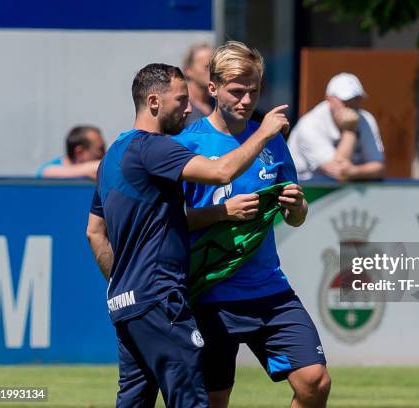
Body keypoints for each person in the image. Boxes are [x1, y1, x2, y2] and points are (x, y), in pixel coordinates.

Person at [85, 63, 288, 407]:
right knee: (191, 401)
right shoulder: (153, 148)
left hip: (125, 304)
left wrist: (122, 285)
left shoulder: (112, 156)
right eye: (180, 100)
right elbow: (221, 171)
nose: (189, 108)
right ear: (153, 102)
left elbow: (94, 232)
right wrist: (264, 133)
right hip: (161, 299)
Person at [173, 41, 331, 408]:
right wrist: (221, 212)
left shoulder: (273, 143)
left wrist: (297, 207)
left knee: (315, 382)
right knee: (214, 399)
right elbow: (169, 221)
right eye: (237, 91)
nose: (246, 100)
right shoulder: (187, 144)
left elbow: (296, 216)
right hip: (210, 292)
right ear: (212, 88)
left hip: (268, 291)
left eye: (254, 91)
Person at [288, 72, 385, 181]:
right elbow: (338, 172)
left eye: (357, 99)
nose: (352, 105)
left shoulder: (366, 119)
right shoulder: (309, 125)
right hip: (305, 189)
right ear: (329, 100)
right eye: (346, 100)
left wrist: (354, 172)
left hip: (347, 190)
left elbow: (378, 167)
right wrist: (349, 131)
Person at [36, 125, 105, 179]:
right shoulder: (48, 171)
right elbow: (46, 172)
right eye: (100, 149)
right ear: (79, 152)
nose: (104, 153)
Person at [182, 42, 215, 127]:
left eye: (214, 67)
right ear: (188, 71)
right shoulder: (180, 108)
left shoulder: (219, 105)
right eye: (207, 67)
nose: (212, 71)